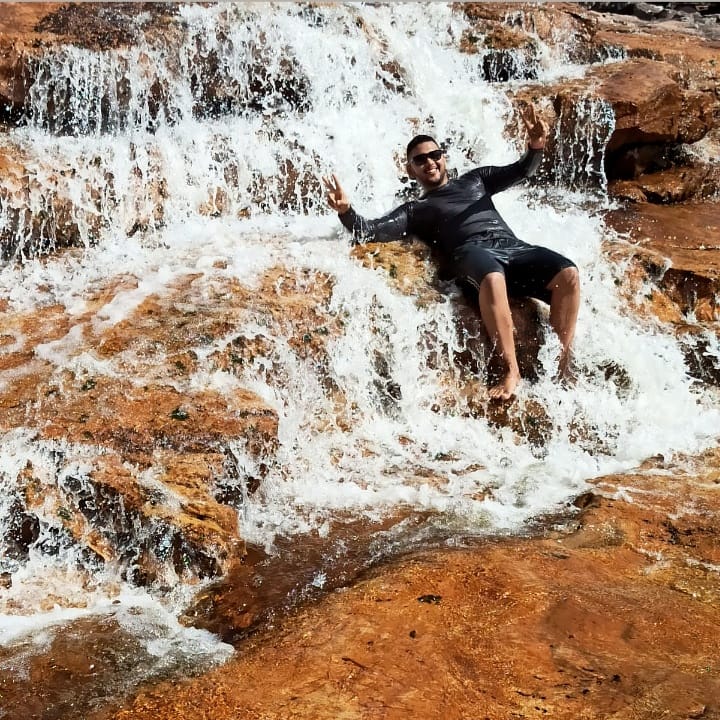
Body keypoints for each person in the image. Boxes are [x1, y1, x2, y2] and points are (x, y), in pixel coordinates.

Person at [323, 104, 580, 400]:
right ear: (410, 169)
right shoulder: (414, 210)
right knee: (494, 277)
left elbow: (523, 170)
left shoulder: (476, 180)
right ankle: (511, 370)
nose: (429, 163)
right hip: (471, 256)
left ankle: (562, 364)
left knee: (568, 272)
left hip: (510, 248)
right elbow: (370, 231)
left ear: (444, 158)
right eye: (420, 160)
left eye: (435, 155)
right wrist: (346, 211)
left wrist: (535, 146)